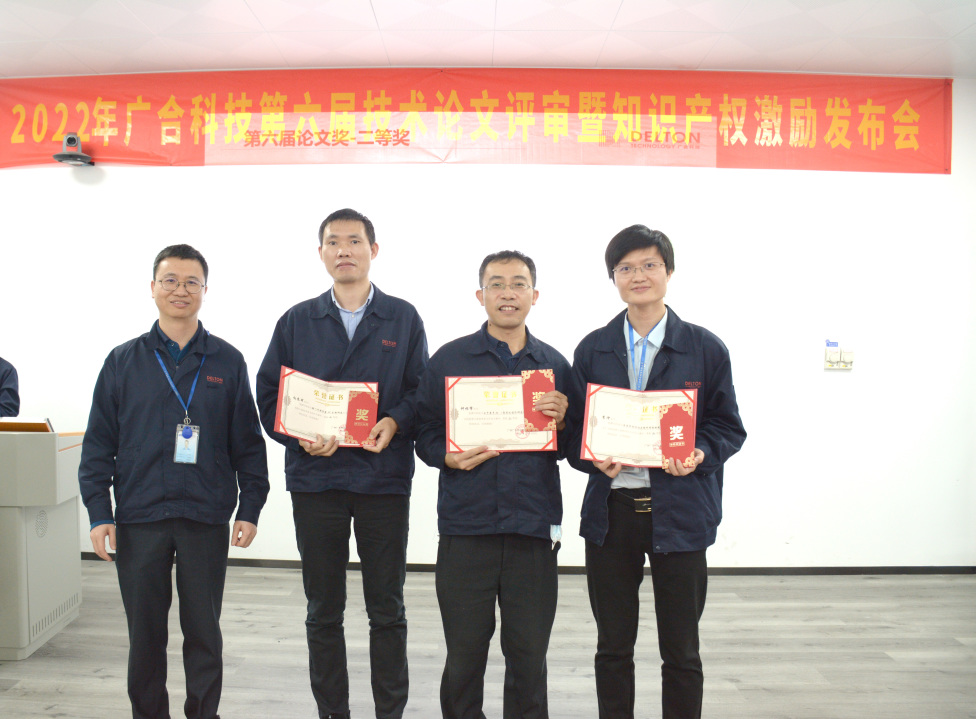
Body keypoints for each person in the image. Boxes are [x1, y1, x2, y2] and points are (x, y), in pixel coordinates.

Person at [78, 244, 270, 719]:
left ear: (205, 290)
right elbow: (98, 444)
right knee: (144, 634)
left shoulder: (227, 361)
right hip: (140, 515)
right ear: (152, 288)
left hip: (205, 514)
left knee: (204, 631)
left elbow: (248, 443)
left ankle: (204, 713)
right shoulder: (122, 361)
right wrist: (100, 513)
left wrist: (249, 508)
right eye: (170, 280)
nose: (180, 290)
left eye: (191, 282)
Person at [566, 225, 746, 719]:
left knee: (682, 649)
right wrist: (591, 457)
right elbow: (574, 432)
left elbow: (727, 426)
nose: (638, 275)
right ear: (613, 278)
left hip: (681, 512)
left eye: (649, 265)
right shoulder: (593, 349)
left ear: (668, 271)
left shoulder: (705, 348)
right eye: (626, 267)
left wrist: (700, 453)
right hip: (612, 514)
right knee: (612, 646)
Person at [256, 208, 428, 719]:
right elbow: (269, 395)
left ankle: (389, 712)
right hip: (317, 480)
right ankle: (333, 711)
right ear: (321, 253)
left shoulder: (403, 317)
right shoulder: (296, 320)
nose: (344, 250)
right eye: (334, 242)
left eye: (355, 241)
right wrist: (298, 436)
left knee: (387, 608)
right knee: (323, 609)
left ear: (373, 250)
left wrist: (394, 421)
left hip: (383, 480)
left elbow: (421, 391)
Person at [414, 250, 571, 719]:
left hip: (533, 529)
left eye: (518, 284)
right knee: (464, 655)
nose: (508, 293)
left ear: (534, 296)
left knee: (529, 656)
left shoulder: (554, 365)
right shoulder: (450, 359)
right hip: (467, 528)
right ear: (480, 295)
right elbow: (424, 431)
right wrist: (446, 456)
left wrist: (564, 422)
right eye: (497, 284)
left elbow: (571, 447)